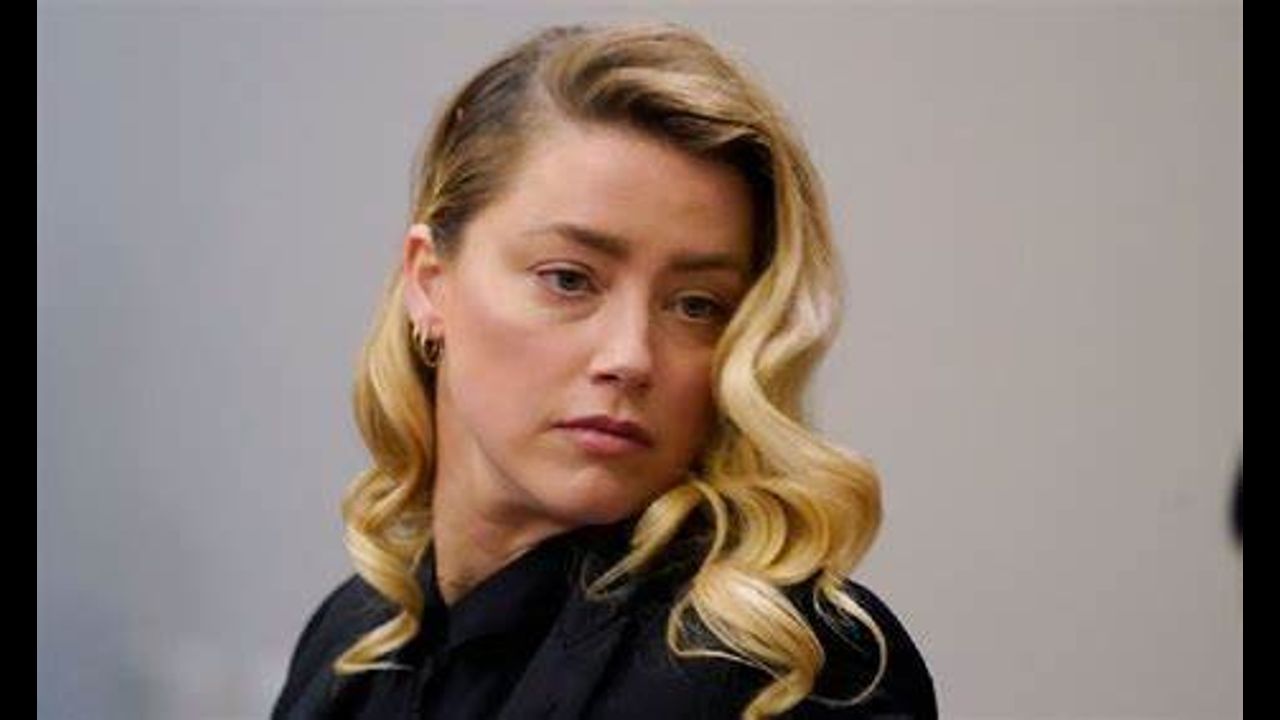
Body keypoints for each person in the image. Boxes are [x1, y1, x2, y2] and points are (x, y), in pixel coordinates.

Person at [271, 20, 937, 719]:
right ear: (429, 283)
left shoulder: (793, 668)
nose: (630, 357)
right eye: (568, 279)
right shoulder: (348, 646)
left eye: (696, 305)